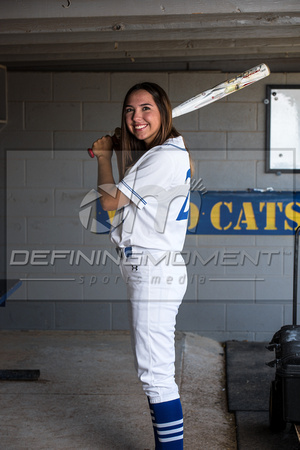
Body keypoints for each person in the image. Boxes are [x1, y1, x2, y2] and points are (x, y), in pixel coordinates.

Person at [91, 82, 193, 449]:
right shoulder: (171, 152)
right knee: (154, 375)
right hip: (154, 267)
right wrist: (123, 147)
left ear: (163, 111)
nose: (137, 117)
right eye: (130, 111)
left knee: (157, 377)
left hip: (153, 270)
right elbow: (134, 191)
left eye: (146, 109)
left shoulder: (163, 156)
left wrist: (104, 156)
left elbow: (110, 202)